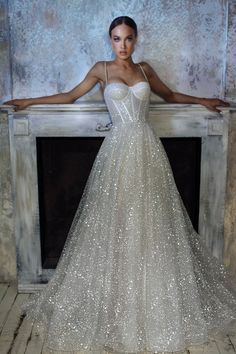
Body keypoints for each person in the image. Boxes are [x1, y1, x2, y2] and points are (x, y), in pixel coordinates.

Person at [4, 16, 236, 354]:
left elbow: (169, 95)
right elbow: (70, 96)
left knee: (151, 221)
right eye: (116, 39)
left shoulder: (144, 70)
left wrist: (204, 102)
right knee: (114, 220)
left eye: (128, 39)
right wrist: (28, 102)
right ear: (109, 40)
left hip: (147, 149)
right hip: (117, 151)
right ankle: (117, 293)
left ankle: (148, 294)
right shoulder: (102, 69)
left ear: (136, 39)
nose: (123, 46)